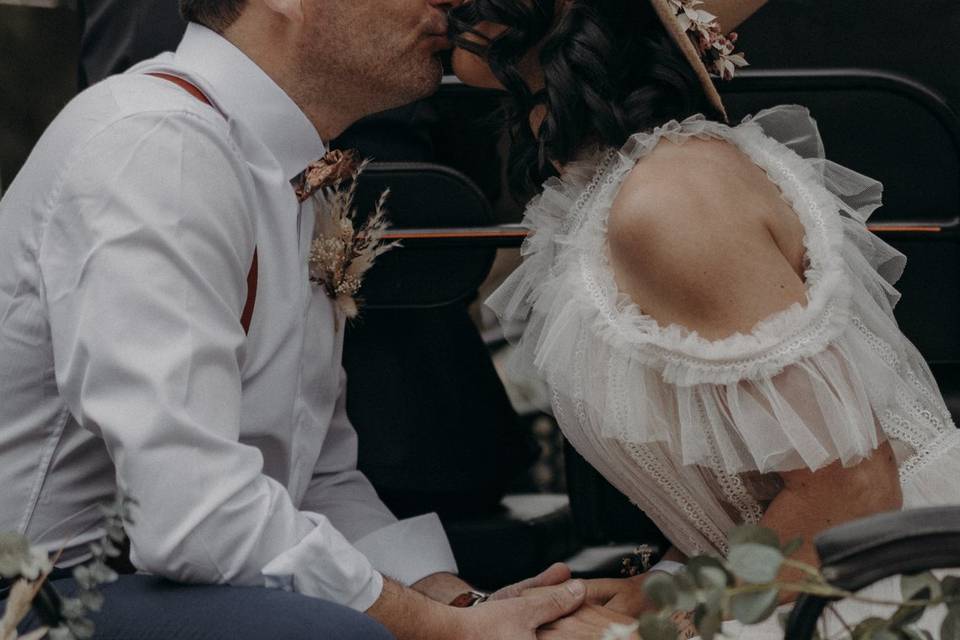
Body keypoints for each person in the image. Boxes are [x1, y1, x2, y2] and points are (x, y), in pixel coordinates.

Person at [0, 1, 595, 638]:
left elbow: (318, 480)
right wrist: (437, 633)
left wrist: (461, 606)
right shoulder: (156, 147)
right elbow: (193, 518)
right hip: (38, 595)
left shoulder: (282, 167)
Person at [449, 0, 960, 637]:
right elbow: (768, 496)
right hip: (806, 574)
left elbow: (852, 490)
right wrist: (646, 591)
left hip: (882, 590)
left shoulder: (670, 200)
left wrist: (658, 627)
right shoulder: (616, 187)